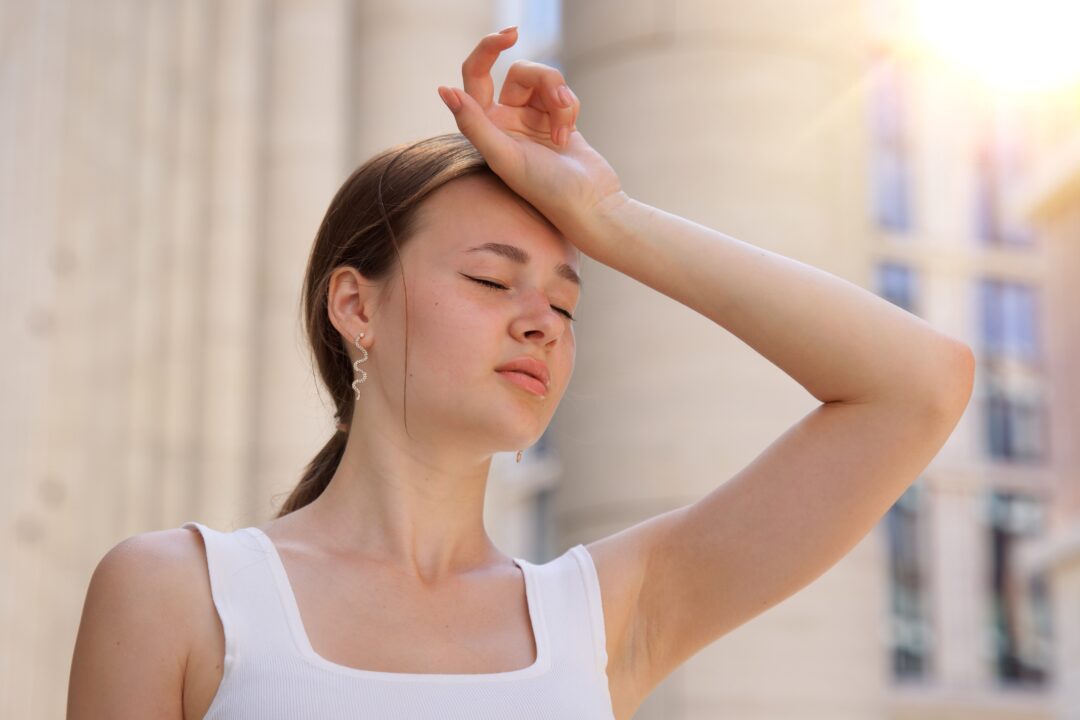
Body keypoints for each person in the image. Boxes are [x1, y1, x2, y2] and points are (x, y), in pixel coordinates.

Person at [67, 27, 975, 720]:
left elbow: (919, 385)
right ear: (356, 307)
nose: (541, 321)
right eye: (492, 279)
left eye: (567, 304)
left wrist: (609, 216)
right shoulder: (179, 594)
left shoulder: (596, 619)